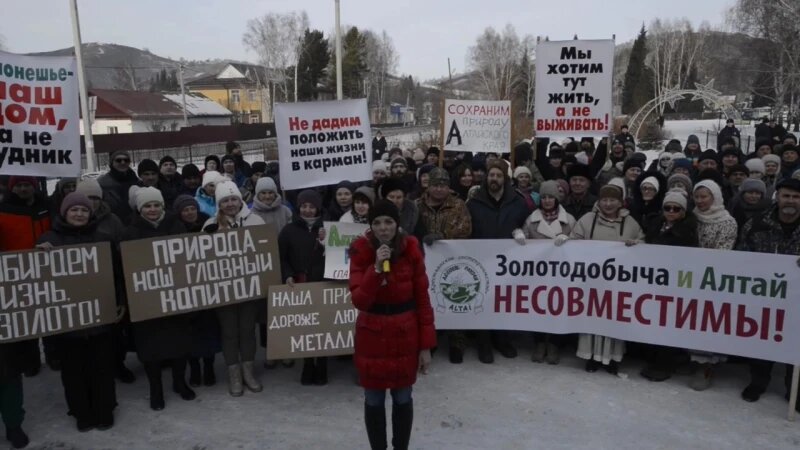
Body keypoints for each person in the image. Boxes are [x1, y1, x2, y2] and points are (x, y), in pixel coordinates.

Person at [349, 199, 435, 450]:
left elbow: (422, 298)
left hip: (404, 336)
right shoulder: (360, 251)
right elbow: (359, 300)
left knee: (402, 397)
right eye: (376, 222)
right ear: (370, 226)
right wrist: (375, 270)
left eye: (388, 222)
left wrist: (426, 346)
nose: (383, 228)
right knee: (374, 399)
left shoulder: (411, 249)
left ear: (397, 224)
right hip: (372, 337)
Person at [36, 193, 118, 432]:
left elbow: (116, 273)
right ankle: (82, 413)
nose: (79, 214)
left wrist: (118, 302)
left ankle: (105, 409)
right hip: (67, 323)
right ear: (64, 213)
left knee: (102, 367)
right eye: (74, 210)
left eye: (84, 210)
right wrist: (37, 255)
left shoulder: (102, 239)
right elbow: (39, 279)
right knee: (73, 372)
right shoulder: (49, 240)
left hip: (100, 317)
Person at [122, 187, 195, 410]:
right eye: (147, 206)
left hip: (176, 295)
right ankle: (156, 388)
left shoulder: (175, 226)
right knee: (151, 347)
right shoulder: (130, 232)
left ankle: (179, 381)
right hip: (147, 299)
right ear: (139, 208)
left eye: (156, 205)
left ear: (162, 206)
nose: (152, 209)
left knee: (179, 342)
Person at [567, 183, 644, 374]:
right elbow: (574, 241)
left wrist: (636, 244)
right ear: (599, 201)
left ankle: (611, 358)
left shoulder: (630, 222)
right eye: (604, 200)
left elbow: (643, 242)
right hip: (592, 280)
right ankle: (591, 356)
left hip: (617, 282)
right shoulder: (588, 219)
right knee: (591, 318)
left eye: (613, 200)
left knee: (613, 319)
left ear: (620, 202)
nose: (608, 204)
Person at [737, 178, 800, 405]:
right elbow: (741, 257)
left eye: (796, 197)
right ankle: (759, 381)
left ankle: (795, 388)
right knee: (763, 339)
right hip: (764, 296)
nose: (791, 201)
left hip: (797, 300)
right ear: (777, 197)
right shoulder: (756, 224)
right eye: (786, 196)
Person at [202, 181, 265, 396]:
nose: (230, 204)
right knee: (229, 332)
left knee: (247, 330)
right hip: (224, 290)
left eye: (233, 199)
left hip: (249, 287)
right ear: (219, 204)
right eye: (225, 200)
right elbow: (202, 258)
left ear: (240, 200)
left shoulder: (255, 220)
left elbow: (265, 250)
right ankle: (234, 374)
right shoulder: (210, 225)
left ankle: (248, 371)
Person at [466, 161, 529, 363]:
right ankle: (484, 342)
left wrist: (522, 233)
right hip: (481, 260)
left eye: (499, 175)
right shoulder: (474, 203)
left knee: (504, 301)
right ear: (486, 178)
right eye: (491, 175)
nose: (494, 179)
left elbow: (526, 226)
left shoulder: (518, 202)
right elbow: (466, 231)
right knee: (483, 301)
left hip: (508, 263)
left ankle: (502, 339)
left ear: (506, 179)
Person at [74, 179, 135, 384]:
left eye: (95, 198)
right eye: (87, 197)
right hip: (80, 286)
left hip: (110, 282)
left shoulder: (112, 220)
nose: (91, 202)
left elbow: (122, 249)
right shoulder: (70, 219)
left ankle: (118, 364)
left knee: (114, 332)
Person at [513, 180, 576, 364]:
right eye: (544, 197)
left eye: (551, 197)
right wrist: (519, 235)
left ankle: (554, 344)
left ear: (557, 199)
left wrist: (569, 239)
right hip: (538, 273)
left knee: (558, 307)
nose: (547, 201)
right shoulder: (531, 219)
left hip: (561, 273)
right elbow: (524, 238)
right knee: (538, 307)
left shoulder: (569, 220)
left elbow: (580, 243)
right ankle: (540, 342)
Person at [640, 190, 698, 381]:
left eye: (676, 208)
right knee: (652, 319)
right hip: (653, 280)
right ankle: (653, 358)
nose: (671, 211)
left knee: (669, 323)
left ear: (683, 211)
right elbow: (647, 245)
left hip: (676, 283)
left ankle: (664, 364)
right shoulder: (656, 224)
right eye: (668, 207)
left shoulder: (689, 229)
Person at [416, 168, 472, 363]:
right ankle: (431, 340)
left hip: (453, 261)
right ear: (428, 186)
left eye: (444, 185)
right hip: (426, 263)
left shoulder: (458, 205)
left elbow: (465, 228)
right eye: (436, 185)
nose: (440, 189)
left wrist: (443, 238)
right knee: (430, 301)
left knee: (455, 298)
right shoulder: (418, 205)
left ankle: (457, 341)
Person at [689, 180, 738, 391]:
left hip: (712, 279)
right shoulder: (690, 217)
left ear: (715, 197)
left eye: (704, 196)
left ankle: (706, 365)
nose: (700, 201)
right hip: (687, 277)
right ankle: (689, 359)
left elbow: (722, 253)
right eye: (697, 197)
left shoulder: (727, 222)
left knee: (708, 320)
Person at [278, 190, 328, 385]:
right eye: (304, 206)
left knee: (324, 325)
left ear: (318, 208)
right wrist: (287, 274)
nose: (307, 210)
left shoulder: (328, 228)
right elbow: (281, 257)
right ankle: (308, 364)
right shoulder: (288, 230)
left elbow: (341, 254)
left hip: (324, 283)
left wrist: (326, 242)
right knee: (306, 325)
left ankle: (322, 364)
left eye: (311, 206)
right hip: (301, 283)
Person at [249, 177, 295, 369]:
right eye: (263, 193)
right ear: (257, 195)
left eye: (270, 192)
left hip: (283, 264)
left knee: (284, 310)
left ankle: (284, 349)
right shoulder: (250, 214)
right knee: (265, 313)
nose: (267, 196)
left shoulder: (285, 211)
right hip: (262, 268)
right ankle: (270, 350)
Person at [97, 150, 140, 223]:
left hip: (135, 225)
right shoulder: (102, 183)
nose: (123, 163)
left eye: (126, 160)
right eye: (118, 160)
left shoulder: (136, 181)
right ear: (112, 163)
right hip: (112, 225)